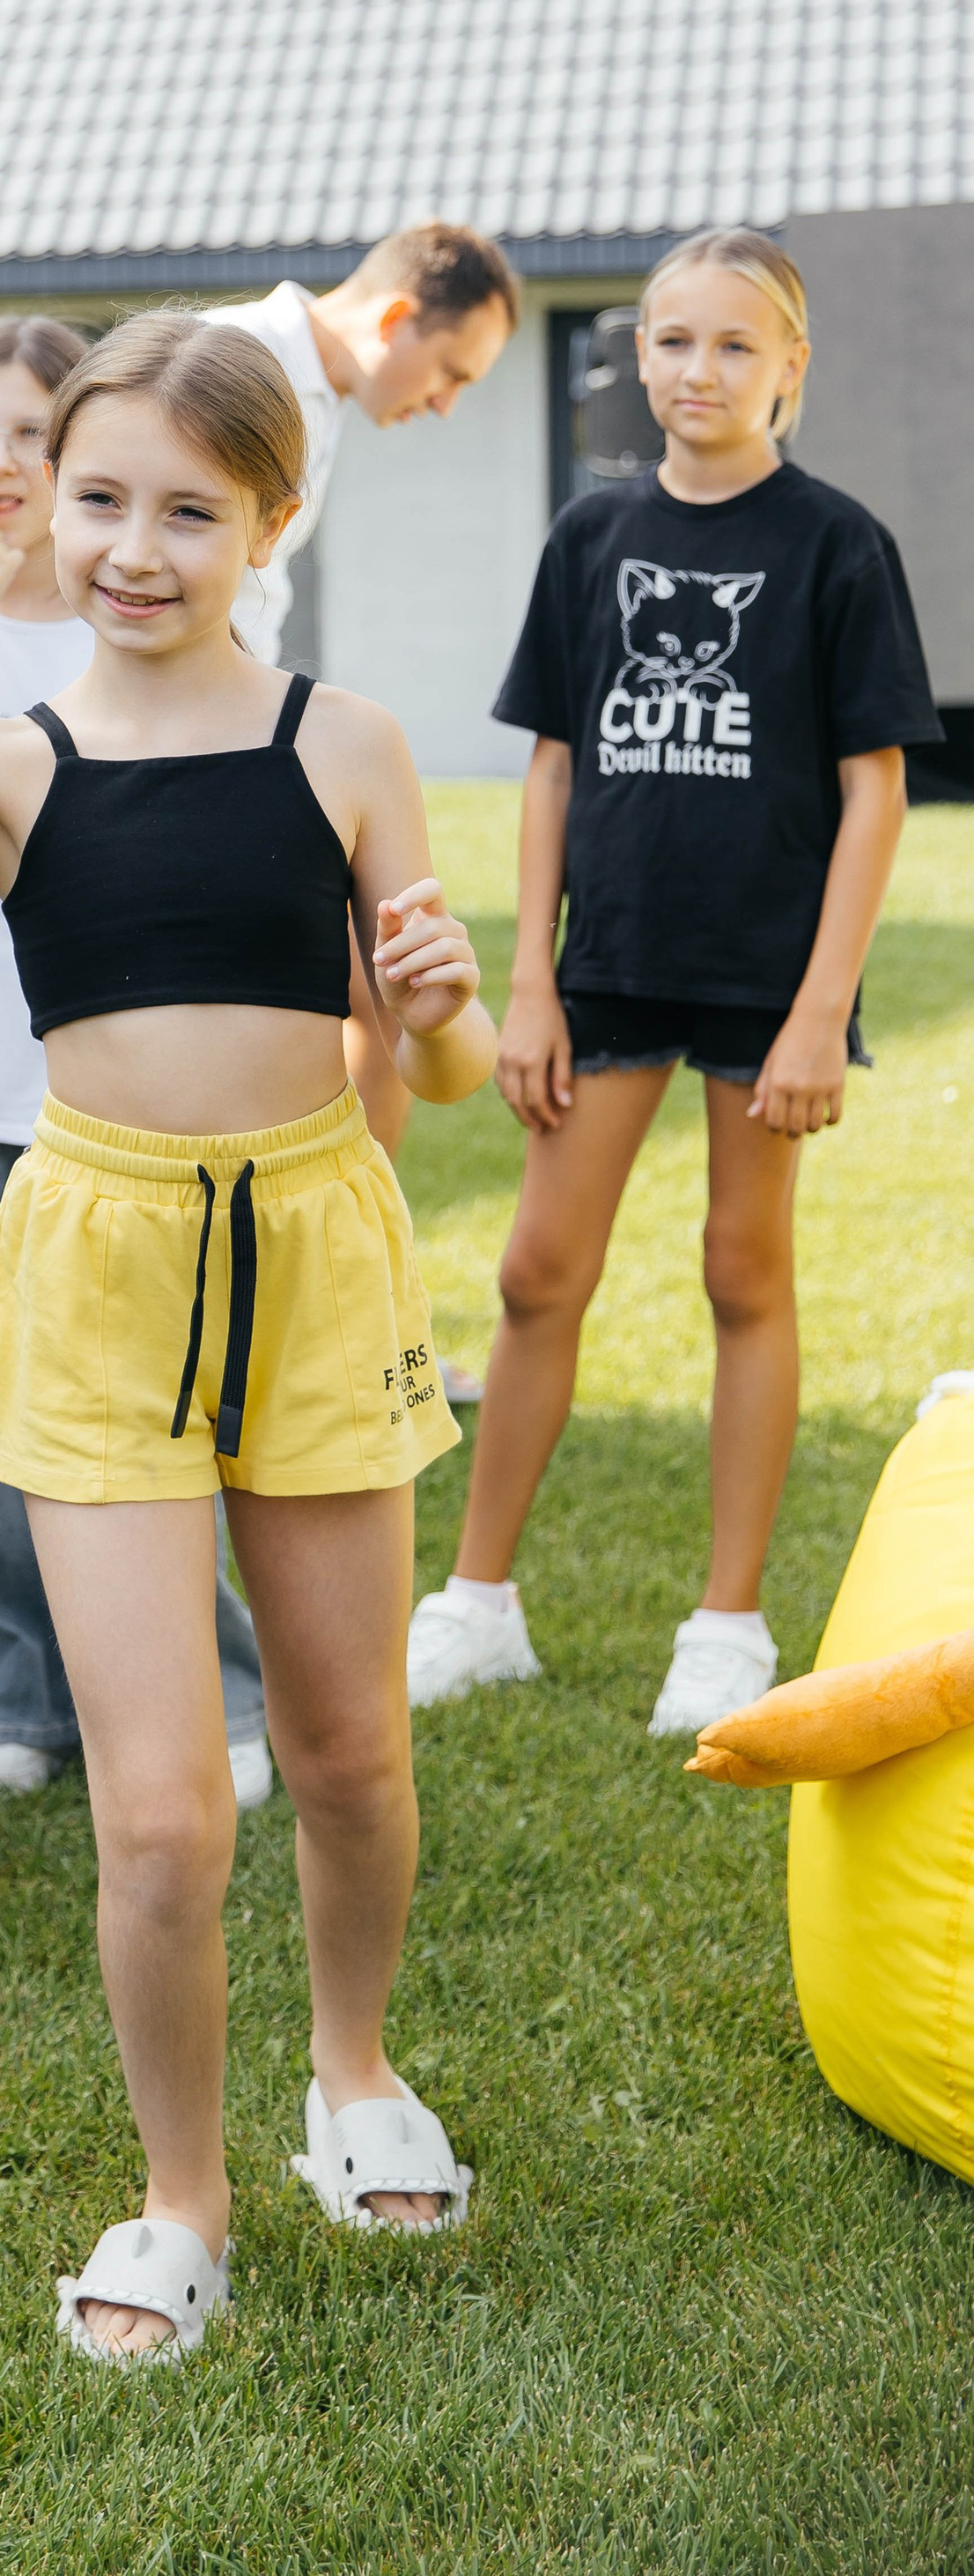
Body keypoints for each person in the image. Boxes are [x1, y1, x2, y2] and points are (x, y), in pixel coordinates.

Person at [0, 310, 498, 2362]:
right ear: (39, 507)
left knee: (343, 1751)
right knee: (158, 1810)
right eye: (97, 501)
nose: (134, 547)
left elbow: (450, 1067)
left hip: (313, 1246)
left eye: (185, 509)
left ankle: (351, 2073)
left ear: (267, 518)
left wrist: (434, 995)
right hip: (99, 1265)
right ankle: (178, 2198)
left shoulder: (348, 744)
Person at [409, 228, 940, 1737]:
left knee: (740, 1271)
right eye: (671, 342)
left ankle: (727, 1621)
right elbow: (555, 766)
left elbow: (877, 788)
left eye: (732, 346)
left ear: (791, 369)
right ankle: (479, 1604)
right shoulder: (591, 543)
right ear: (635, 358)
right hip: (612, 970)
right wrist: (530, 983)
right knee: (532, 1275)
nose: (697, 371)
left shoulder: (836, 545)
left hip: (765, 987)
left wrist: (822, 1008)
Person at [0, 314, 273, 1808]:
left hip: (129, 1095)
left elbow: (4, 831)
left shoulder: (149, 611)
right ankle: (10, 1690)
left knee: (177, 1400)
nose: (6, 464)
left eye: (39, 435)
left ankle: (217, 1689)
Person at [203, 224, 518, 1401]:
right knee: (367, 1006)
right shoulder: (236, 364)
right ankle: (353, 1329)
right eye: (449, 377)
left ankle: (360, 1319)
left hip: (262, 749)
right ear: (393, 325)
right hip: (209, 766)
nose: (442, 408)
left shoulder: (310, 392)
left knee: (381, 1008)